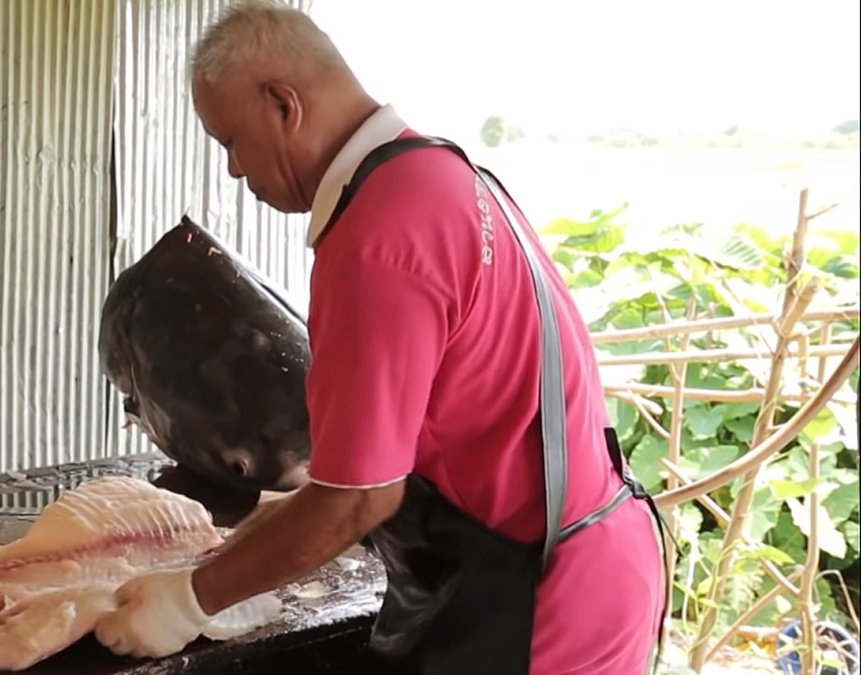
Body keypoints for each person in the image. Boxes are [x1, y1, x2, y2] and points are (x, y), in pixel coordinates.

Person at [94, 1, 669, 673]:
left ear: (284, 104)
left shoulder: (378, 236)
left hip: (543, 599)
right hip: (590, 557)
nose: (234, 171)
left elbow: (362, 497)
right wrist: (277, 526)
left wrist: (188, 600)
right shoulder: (437, 173)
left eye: (230, 142)